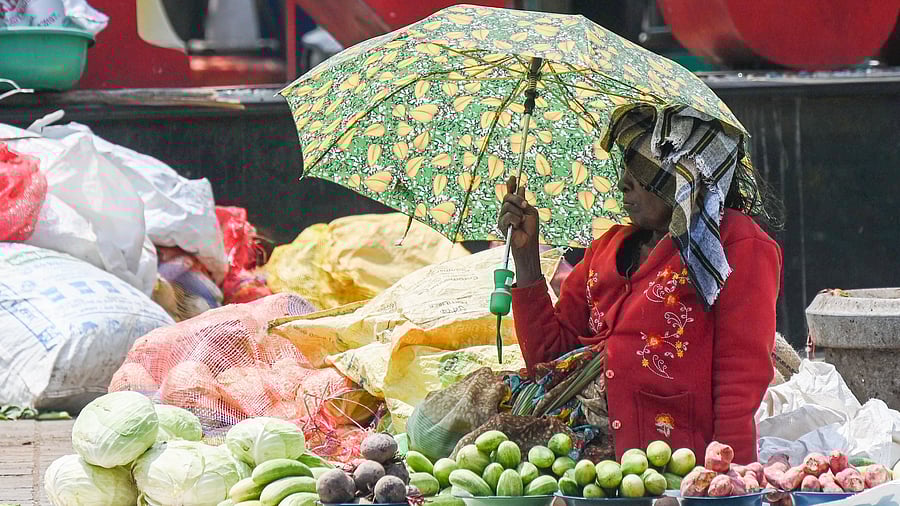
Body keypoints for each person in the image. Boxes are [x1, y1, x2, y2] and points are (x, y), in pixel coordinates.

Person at [497, 105, 783, 465]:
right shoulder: (606, 248)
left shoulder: (734, 246)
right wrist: (525, 259)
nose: (624, 183)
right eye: (624, 167)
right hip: (584, 466)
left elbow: (740, 376)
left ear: (685, 173)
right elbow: (550, 359)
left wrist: (732, 476)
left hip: (674, 469)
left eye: (642, 169)